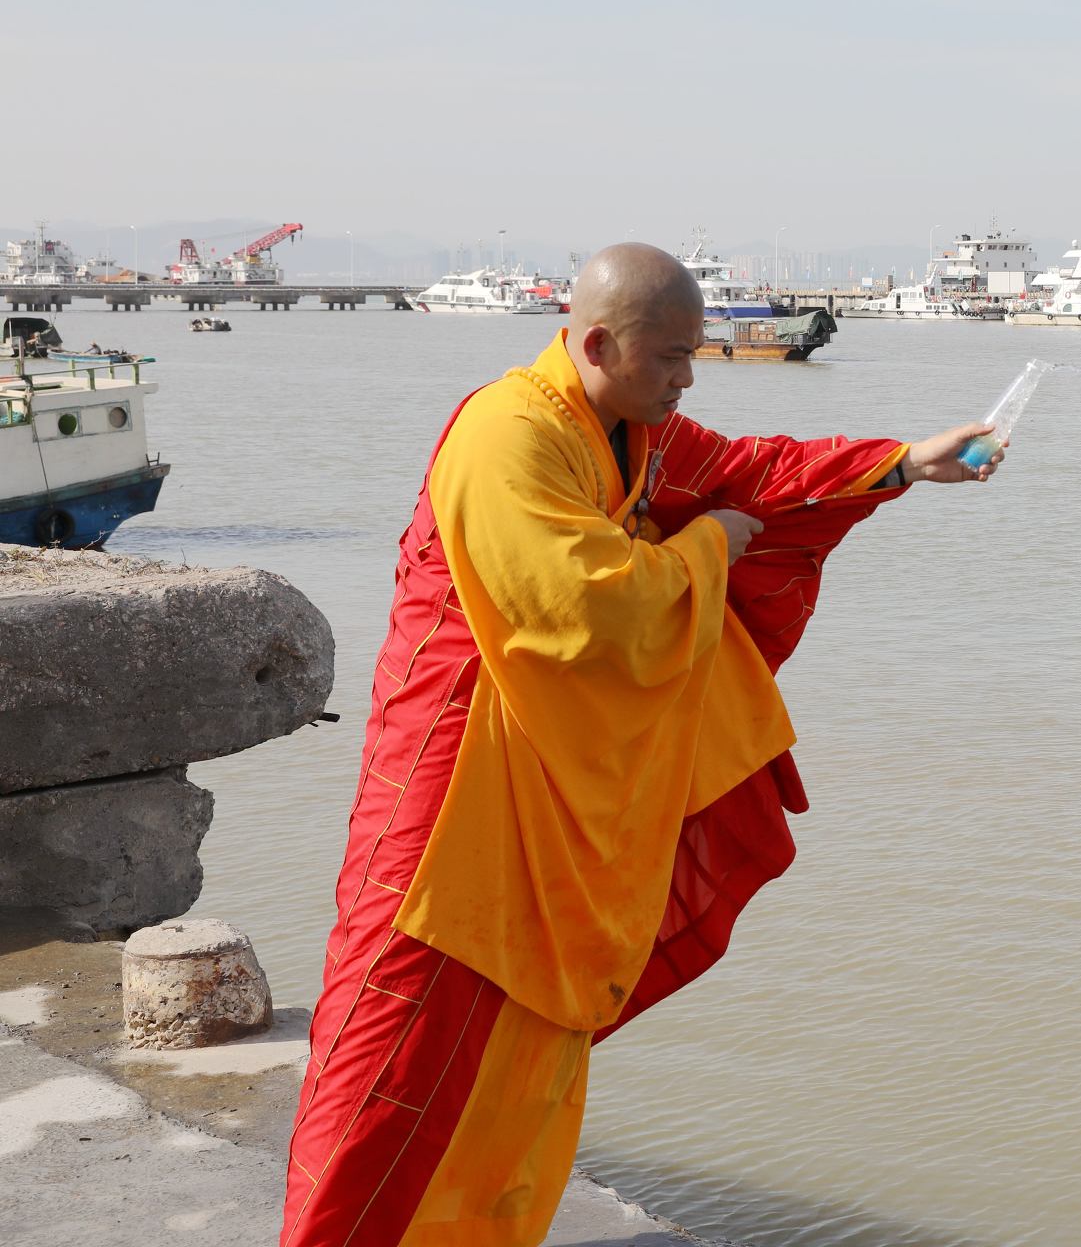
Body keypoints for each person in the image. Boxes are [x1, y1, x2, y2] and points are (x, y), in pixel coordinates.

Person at [282, 243, 1000, 1246]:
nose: (687, 378)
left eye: (693, 356)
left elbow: (749, 471)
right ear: (599, 342)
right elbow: (583, 609)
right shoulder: (507, 434)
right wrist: (710, 547)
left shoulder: (631, 428)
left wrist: (901, 461)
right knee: (394, 1040)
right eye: (670, 358)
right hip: (453, 776)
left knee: (521, 1053)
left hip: (536, 761)